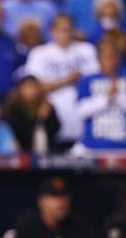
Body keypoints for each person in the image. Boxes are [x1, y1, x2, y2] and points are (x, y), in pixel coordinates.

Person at [25, 14, 99, 143]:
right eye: (61, 29)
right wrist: (66, 80)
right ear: (52, 31)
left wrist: (81, 80)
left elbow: (98, 80)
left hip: (83, 116)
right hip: (53, 117)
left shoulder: (87, 50)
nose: (65, 34)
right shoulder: (39, 53)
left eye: (68, 29)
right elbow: (32, 86)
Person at [75, 39, 126, 151]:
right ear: (99, 59)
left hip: (122, 147)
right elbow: (81, 111)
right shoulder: (87, 80)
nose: (112, 61)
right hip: (93, 146)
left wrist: (118, 97)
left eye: (114, 56)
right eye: (108, 57)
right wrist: (106, 99)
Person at [5, 74, 61, 153]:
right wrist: (39, 119)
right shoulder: (13, 107)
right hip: (20, 149)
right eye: (27, 87)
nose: (30, 91)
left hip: (45, 150)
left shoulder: (46, 106)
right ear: (20, 89)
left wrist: (44, 119)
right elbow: (17, 132)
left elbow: (55, 129)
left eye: (33, 87)